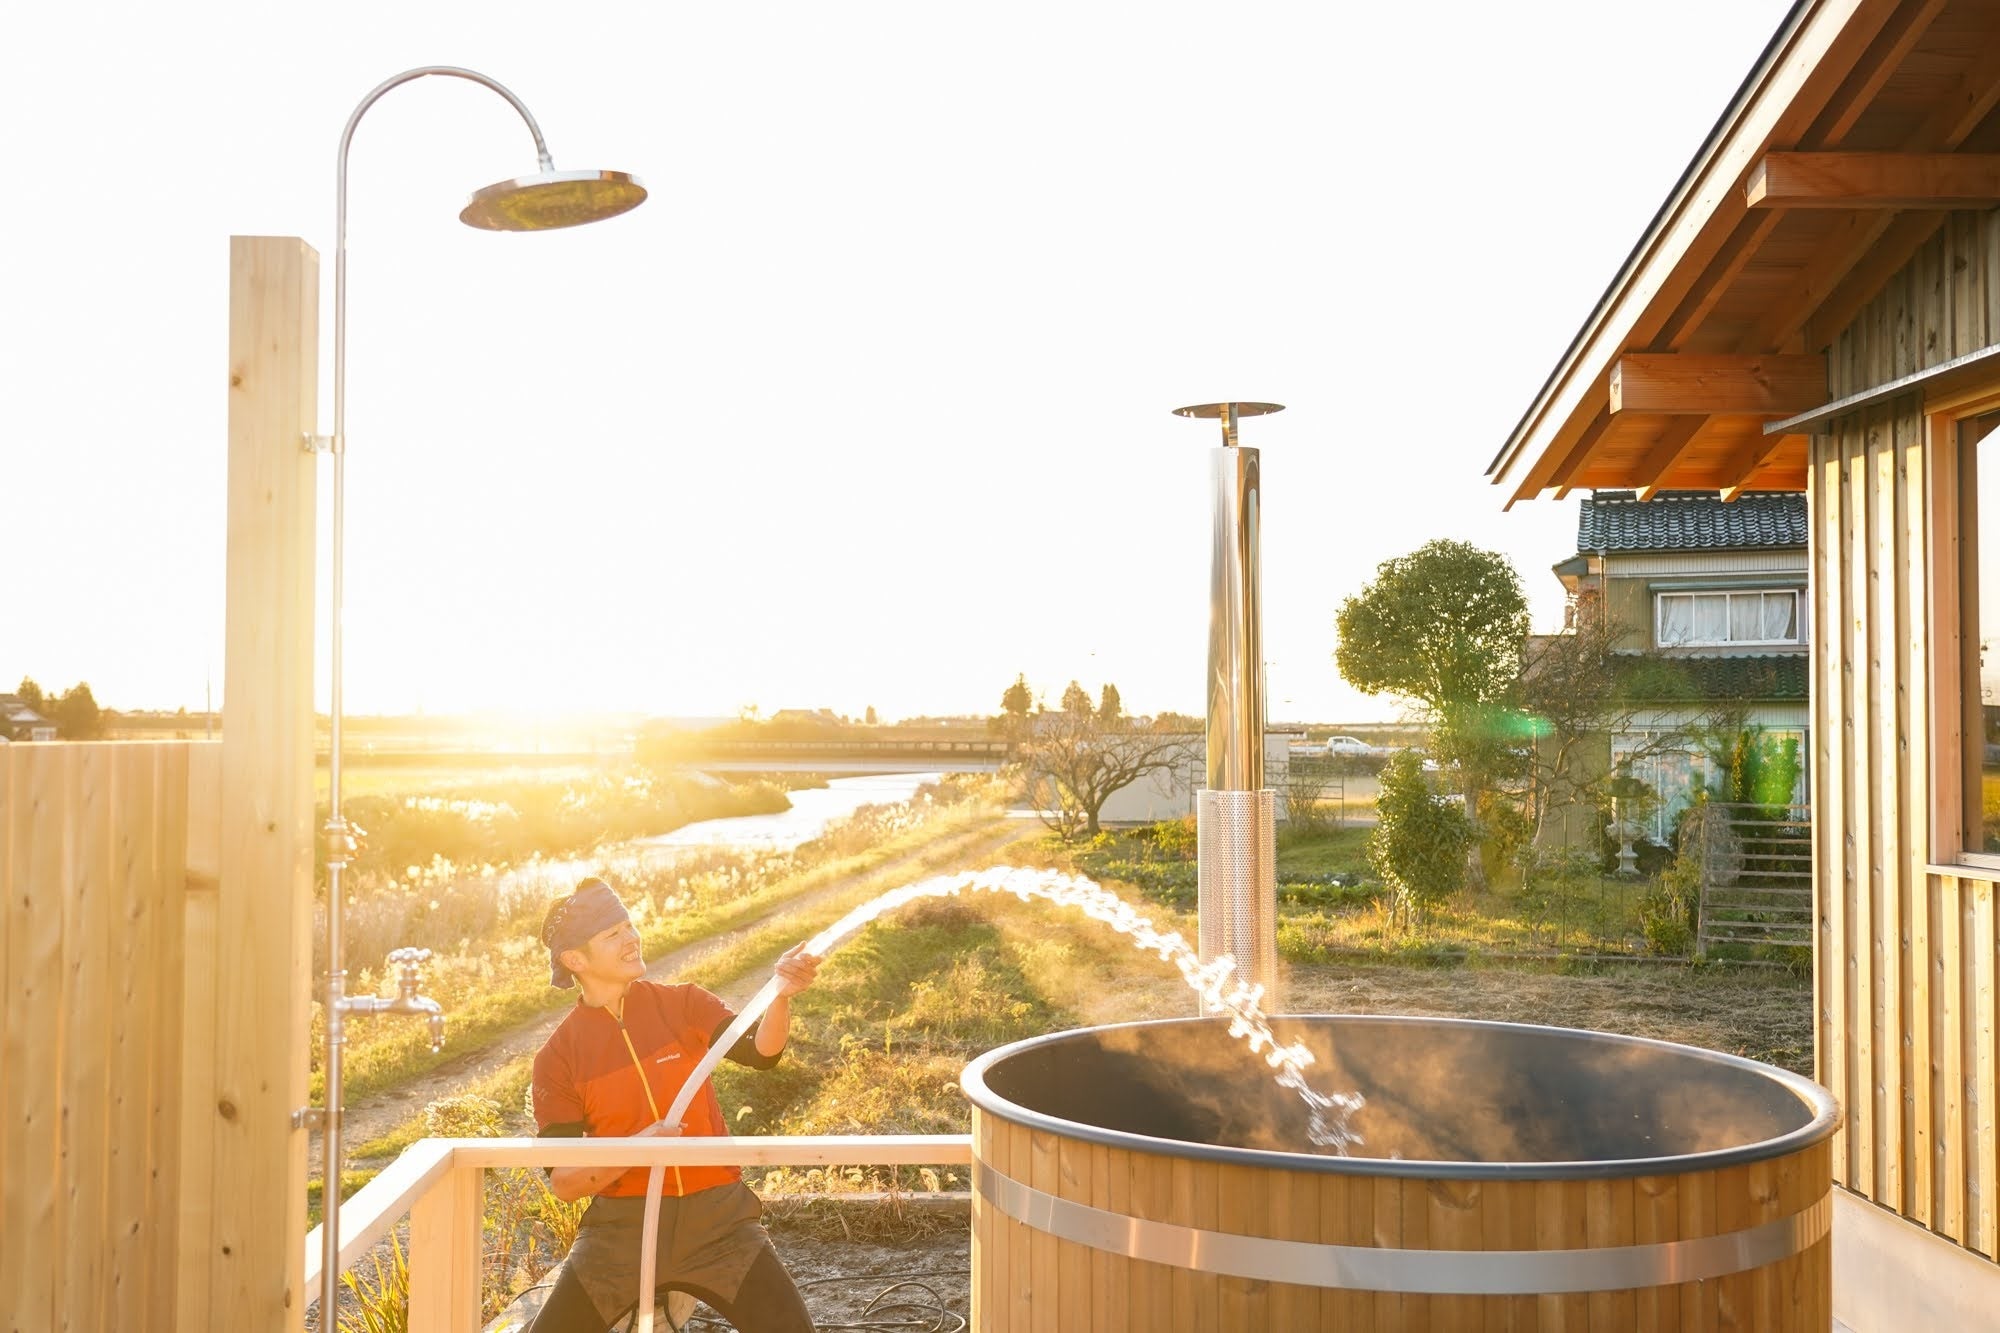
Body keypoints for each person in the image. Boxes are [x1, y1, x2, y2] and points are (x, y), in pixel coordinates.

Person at [527, 876, 821, 1332]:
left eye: (629, 925)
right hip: (620, 1233)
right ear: (574, 959)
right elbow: (565, 1182)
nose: (631, 938)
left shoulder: (683, 1003)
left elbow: (762, 1052)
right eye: (612, 933)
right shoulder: (558, 1057)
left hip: (720, 1222)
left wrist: (780, 996)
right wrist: (639, 1148)